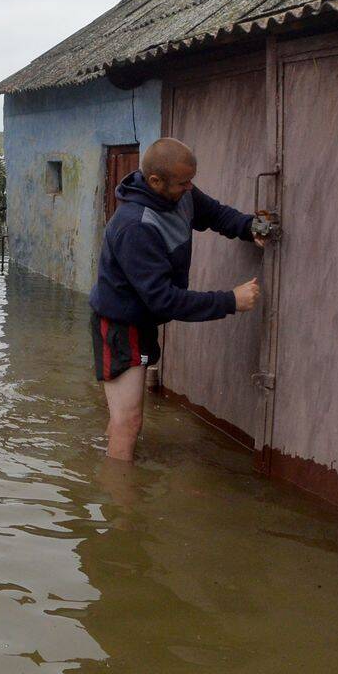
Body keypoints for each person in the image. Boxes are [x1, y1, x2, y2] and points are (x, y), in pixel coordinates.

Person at [91, 137, 265, 461]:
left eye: (191, 181)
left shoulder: (181, 195)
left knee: (123, 418)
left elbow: (213, 214)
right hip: (120, 326)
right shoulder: (135, 225)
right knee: (128, 423)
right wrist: (230, 301)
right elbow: (165, 301)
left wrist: (249, 227)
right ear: (155, 181)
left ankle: (112, 466)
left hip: (140, 320)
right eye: (184, 182)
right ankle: (120, 505)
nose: (190, 188)